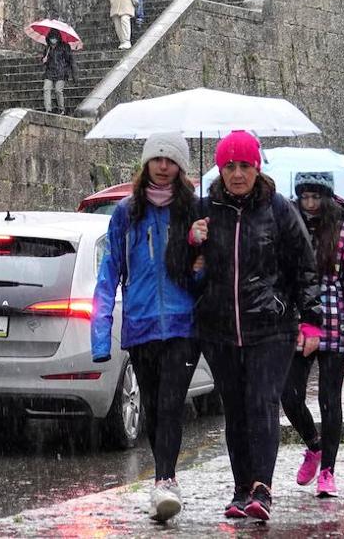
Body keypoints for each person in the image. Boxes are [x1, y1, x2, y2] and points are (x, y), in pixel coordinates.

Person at [188, 130, 322, 522]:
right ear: (220, 168)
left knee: (262, 402)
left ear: (256, 167)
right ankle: (241, 488)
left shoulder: (278, 209)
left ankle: (263, 487)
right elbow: (178, 268)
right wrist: (190, 243)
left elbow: (305, 267)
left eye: (244, 165)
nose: (237, 173)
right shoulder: (204, 208)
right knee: (236, 411)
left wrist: (311, 321)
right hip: (220, 329)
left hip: (271, 326)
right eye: (229, 166)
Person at [92, 133, 201, 523]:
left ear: (181, 167)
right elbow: (108, 275)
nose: (163, 165)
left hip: (184, 326)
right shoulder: (126, 213)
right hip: (140, 327)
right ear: (146, 165)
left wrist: (200, 251)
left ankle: (165, 480)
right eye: (156, 159)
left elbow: (207, 277)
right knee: (153, 408)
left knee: (172, 403)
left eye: (170, 160)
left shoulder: (194, 211)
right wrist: (101, 334)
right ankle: (162, 482)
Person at [280, 172, 344, 501]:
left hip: (336, 326)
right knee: (288, 394)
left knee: (329, 400)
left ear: (327, 198)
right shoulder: (291, 227)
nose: (309, 205)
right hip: (301, 326)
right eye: (304, 198)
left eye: (315, 198)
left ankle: (328, 471)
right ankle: (314, 447)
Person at [40, 28, 76, 115]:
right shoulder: (47, 48)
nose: (53, 39)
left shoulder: (65, 46)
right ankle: (48, 109)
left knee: (58, 90)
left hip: (61, 72)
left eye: (55, 37)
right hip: (49, 72)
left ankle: (61, 109)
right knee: (46, 88)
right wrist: (43, 60)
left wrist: (71, 72)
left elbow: (69, 60)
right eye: (51, 37)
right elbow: (44, 61)